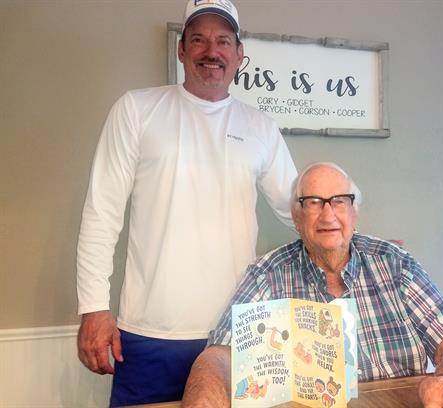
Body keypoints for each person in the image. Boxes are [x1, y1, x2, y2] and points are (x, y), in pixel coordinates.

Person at [76, 0, 297, 406]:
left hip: (239, 331)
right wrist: (93, 307)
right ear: (181, 50)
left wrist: (362, 244)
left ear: (239, 55)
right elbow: (101, 214)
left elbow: (300, 210)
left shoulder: (260, 127)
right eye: (198, 40)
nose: (211, 51)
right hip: (149, 333)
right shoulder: (137, 109)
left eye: (223, 41)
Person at [180, 162, 443, 408]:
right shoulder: (267, 274)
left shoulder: (395, 264)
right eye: (313, 202)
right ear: (296, 216)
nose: (328, 215)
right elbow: (220, 355)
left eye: (339, 201)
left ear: (355, 213)